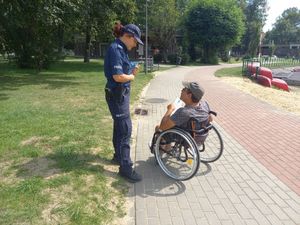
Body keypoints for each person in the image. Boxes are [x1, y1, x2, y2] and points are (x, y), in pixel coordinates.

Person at [104, 23, 143, 183]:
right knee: (125, 129)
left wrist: (131, 71)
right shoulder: (115, 49)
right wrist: (132, 77)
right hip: (117, 95)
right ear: (129, 36)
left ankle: (118, 157)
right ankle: (125, 168)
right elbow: (118, 77)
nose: (135, 45)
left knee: (119, 126)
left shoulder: (121, 49)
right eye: (135, 42)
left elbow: (122, 72)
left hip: (120, 94)